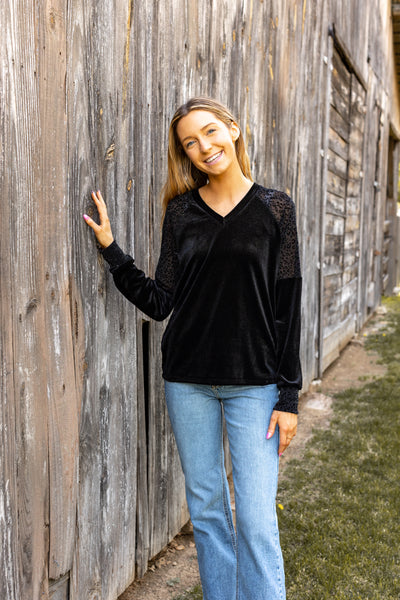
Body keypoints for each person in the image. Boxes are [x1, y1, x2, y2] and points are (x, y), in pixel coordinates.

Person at [83, 97, 302, 600]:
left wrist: (288, 397)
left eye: (210, 132)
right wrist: (113, 251)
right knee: (205, 511)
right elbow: (162, 301)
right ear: (185, 153)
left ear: (234, 129)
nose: (204, 147)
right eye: (190, 143)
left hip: (256, 385)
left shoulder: (276, 209)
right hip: (187, 382)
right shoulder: (180, 212)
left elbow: (288, 307)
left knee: (254, 516)